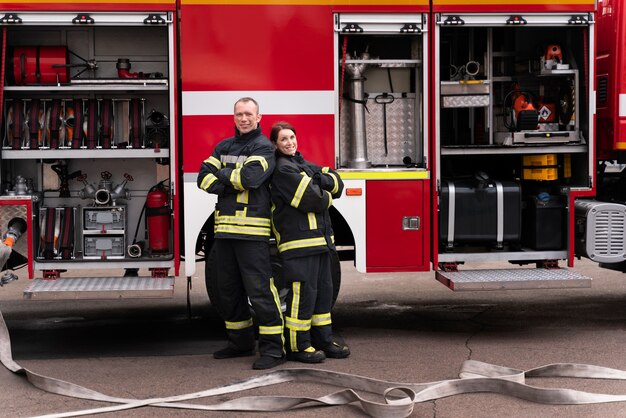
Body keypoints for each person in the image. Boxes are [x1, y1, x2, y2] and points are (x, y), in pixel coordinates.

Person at [197, 97, 284, 370]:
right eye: (239, 114)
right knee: (227, 291)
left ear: (259, 117)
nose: (243, 119)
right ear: (233, 117)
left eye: (248, 114)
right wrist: (231, 177)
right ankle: (240, 342)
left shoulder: (264, 147)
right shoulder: (224, 145)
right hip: (224, 233)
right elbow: (203, 178)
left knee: (260, 291)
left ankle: (272, 349)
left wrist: (223, 176)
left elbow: (251, 179)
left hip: (253, 235)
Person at [269, 121, 350, 363]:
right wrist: (323, 187)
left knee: (323, 294)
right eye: (283, 139)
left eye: (292, 137)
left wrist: (322, 182)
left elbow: (338, 182)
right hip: (298, 244)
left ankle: (322, 340)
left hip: (320, 242)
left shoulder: (301, 164)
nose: (289, 142)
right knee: (302, 297)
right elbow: (314, 200)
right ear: (275, 144)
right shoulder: (283, 170)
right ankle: (298, 346)